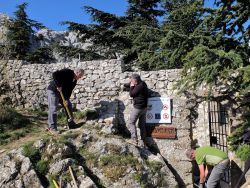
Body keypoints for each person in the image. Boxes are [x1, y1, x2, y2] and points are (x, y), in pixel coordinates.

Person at [47, 68, 84, 134]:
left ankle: (71, 124)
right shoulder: (68, 72)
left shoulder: (74, 80)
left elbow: (69, 91)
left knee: (68, 105)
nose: (80, 77)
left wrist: (66, 99)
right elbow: (55, 74)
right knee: (53, 108)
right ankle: (52, 127)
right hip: (53, 90)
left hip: (62, 94)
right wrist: (58, 85)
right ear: (77, 72)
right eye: (80, 75)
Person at [127, 74, 148, 147]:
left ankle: (134, 140)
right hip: (144, 108)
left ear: (135, 81)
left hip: (138, 108)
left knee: (131, 123)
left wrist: (131, 87)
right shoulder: (143, 84)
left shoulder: (139, 87)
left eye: (132, 81)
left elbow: (132, 94)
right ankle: (143, 142)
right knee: (142, 125)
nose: (131, 82)